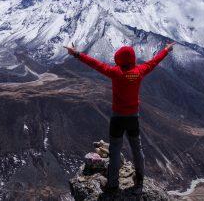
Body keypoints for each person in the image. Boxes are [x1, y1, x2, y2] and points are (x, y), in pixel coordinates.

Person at [64, 42, 175, 193]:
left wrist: (76, 54)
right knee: (137, 149)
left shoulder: (115, 72)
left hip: (117, 118)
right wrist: (166, 50)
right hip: (133, 118)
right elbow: (153, 62)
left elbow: (95, 64)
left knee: (115, 150)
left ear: (119, 59)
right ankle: (140, 181)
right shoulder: (140, 71)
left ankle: (112, 184)